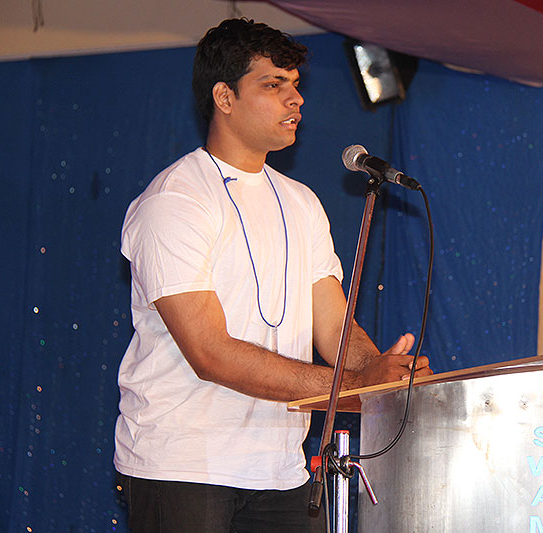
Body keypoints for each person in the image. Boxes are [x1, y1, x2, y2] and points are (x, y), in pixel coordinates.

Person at [113, 18, 432, 532]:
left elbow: (334, 324)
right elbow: (210, 353)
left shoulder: (301, 202)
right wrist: (355, 386)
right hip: (184, 466)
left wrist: (383, 377)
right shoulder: (176, 201)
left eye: (296, 84)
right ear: (224, 97)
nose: (295, 99)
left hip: (280, 469)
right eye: (273, 84)